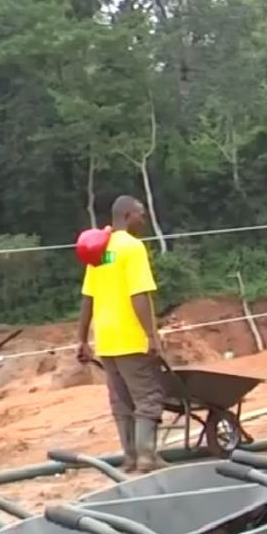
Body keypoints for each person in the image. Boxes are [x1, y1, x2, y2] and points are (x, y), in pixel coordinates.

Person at [76, 196, 166, 472]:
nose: (144, 219)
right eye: (140, 214)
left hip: (106, 339)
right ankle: (147, 457)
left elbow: (87, 298)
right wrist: (150, 335)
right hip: (129, 336)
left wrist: (82, 339)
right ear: (127, 216)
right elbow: (138, 294)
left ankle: (130, 458)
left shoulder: (99, 249)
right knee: (147, 398)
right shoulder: (132, 247)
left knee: (121, 401)